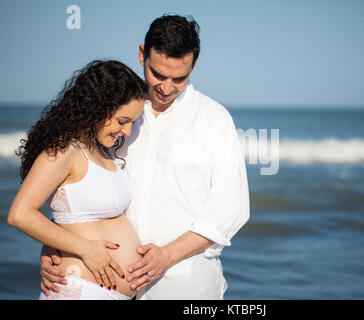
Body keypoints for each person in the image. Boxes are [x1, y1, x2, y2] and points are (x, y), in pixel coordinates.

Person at [41, 14, 250, 300]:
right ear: (142, 55)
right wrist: (54, 246)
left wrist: (166, 255)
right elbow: (79, 185)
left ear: (194, 65)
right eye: (158, 74)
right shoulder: (115, 115)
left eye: (179, 78)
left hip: (184, 288)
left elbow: (231, 208)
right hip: (108, 287)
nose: (166, 87)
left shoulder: (214, 119)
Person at [8, 60, 147, 300]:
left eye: (132, 122)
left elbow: (71, 213)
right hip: (79, 290)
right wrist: (86, 249)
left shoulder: (102, 152)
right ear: (99, 108)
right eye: (123, 121)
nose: (127, 131)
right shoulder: (65, 150)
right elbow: (20, 214)